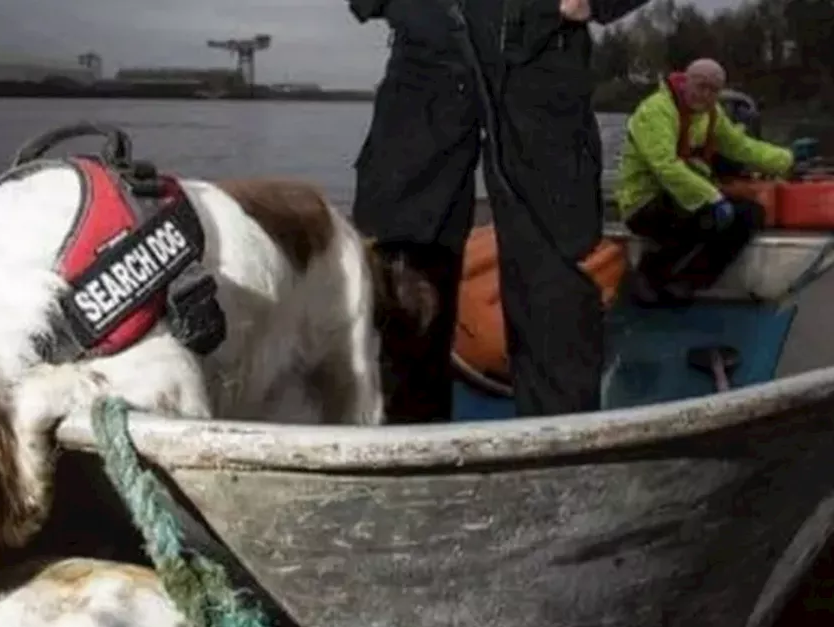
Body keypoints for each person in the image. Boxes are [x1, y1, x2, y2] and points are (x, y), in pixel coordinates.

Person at [347, 0, 648, 420]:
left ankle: (558, 446)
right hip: (426, 51)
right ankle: (404, 440)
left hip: (539, 48)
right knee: (403, 252)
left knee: (551, 260)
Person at [615, 58, 819, 306]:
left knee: (751, 214)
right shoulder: (656, 110)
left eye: (713, 90)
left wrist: (786, 160)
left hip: (687, 195)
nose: (706, 95)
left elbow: (740, 146)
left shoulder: (711, 114)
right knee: (708, 216)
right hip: (643, 201)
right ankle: (648, 273)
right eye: (701, 86)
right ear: (686, 81)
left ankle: (688, 282)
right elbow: (665, 166)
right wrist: (713, 197)